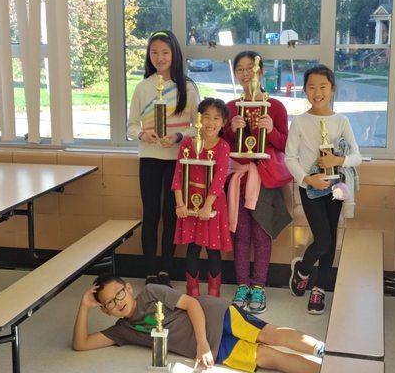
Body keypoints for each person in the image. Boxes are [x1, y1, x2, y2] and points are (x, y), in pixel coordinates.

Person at [72, 274, 325, 373]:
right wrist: (84, 305)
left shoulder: (150, 292)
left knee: (270, 334)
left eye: (119, 294)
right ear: (104, 311)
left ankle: (324, 351)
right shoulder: (123, 330)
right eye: (109, 304)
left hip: (215, 316)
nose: (117, 303)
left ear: (128, 288)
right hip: (214, 351)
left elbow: (192, 304)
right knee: (267, 358)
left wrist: (202, 344)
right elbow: (81, 344)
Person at [285, 64, 361, 314]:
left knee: (332, 237)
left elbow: (357, 156)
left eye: (323, 87)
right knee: (323, 239)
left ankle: (319, 289)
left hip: (337, 187)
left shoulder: (342, 121)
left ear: (333, 89)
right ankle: (303, 269)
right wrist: (307, 179)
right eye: (312, 87)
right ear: (305, 90)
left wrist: (338, 161)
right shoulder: (299, 121)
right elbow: (289, 158)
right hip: (312, 189)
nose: (317, 92)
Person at [127, 30, 199, 287]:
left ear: (175, 55)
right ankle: (149, 271)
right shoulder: (142, 87)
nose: (159, 57)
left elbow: (197, 127)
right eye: (154, 52)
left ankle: (166, 271)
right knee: (151, 214)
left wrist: (179, 136)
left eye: (165, 52)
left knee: (171, 215)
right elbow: (131, 126)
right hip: (149, 158)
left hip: (177, 160)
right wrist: (143, 135)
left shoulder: (187, 88)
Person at [223, 51, 292, 313]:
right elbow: (223, 144)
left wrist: (270, 129)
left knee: (262, 234)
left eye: (250, 68)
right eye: (239, 69)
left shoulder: (275, 106)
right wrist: (232, 129)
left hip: (264, 179)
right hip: (238, 178)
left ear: (261, 70)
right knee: (241, 234)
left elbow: (286, 144)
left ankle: (259, 287)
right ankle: (242, 285)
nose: (244, 73)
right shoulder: (231, 107)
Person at [172, 98, 232, 298]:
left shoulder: (223, 147)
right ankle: (193, 291)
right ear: (199, 119)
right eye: (206, 117)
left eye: (216, 118)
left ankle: (214, 292)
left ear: (223, 123)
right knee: (193, 247)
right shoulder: (188, 144)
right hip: (190, 202)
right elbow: (178, 174)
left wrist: (207, 206)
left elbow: (219, 179)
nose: (211, 122)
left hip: (213, 204)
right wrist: (180, 203)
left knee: (214, 250)